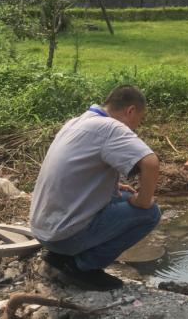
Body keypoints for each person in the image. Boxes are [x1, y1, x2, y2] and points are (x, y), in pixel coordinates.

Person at [29, 85, 160, 291]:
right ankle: (82, 269)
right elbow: (151, 163)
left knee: (123, 193)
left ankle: (58, 258)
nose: (135, 127)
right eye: (139, 120)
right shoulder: (109, 128)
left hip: (44, 229)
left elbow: (69, 172)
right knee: (150, 212)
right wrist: (143, 202)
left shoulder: (76, 122)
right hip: (63, 236)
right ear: (131, 110)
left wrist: (112, 186)